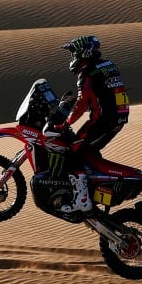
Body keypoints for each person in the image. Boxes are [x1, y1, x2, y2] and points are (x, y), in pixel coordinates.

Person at [54, 35, 130, 214]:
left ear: (83, 53)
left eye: (74, 53)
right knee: (89, 153)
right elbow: (103, 92)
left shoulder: (87, 72)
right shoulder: (108, 65)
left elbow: (83, 101)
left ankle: (81, 200)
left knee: (74, 151)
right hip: (118, 116)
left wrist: (66, 122)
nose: (72, 58)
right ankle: (98, 190)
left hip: (104, 119)